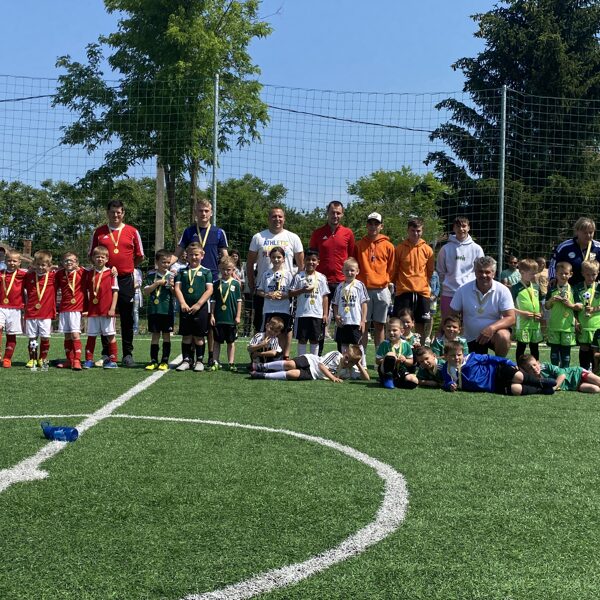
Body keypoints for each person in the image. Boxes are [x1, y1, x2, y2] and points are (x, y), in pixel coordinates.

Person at [173, 198, 228, 368]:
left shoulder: (219, 232)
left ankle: (209, 356)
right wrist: (166, 266)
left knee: (209, 322)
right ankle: (188, 358)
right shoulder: (189, 231)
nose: (203, 213)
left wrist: (231, 273)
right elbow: (178, 252)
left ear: (211, 212)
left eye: (206, 211)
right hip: (192, 280)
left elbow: (225, 256)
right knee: (191, 319)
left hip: (212, 280)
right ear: (196, 212)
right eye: (200, 210)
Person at [89, 199, 144, 367]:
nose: (115, 215)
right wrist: (106, 270)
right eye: (112, 212)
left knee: (127, 317)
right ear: (107, 213)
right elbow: (91, 255)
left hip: (125, 279)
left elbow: (140, 256)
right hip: (105, 279)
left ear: (123, 213)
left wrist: (126, 268)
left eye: (119, 212)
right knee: (105, 315)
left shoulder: (132, 231)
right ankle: (106, 354)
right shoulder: (99, 232)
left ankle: (127, 354)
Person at [247, 206, 304, 334]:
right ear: (268, 219)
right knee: (261, 326)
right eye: (274, 216)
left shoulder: (293, 237)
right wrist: (251, 285)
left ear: (284, 219)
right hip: (264, 290)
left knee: (285, 327)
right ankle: (260, 347)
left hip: (286, 291)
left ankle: (285, 349)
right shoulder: (258, 237)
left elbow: (301, 266)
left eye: (280, 216)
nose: (277, 219)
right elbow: (249, 264)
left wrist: (295, 288)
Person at [309, 201, 355, 354]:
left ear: (342, 214)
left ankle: (342, 356)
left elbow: (351, 257)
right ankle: (318, 355)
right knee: (320, 319)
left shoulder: (348, 233)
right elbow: (312, 257)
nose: (335, 215)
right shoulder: (317, 233)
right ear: (327, 213)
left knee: (342, 318)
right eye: (332, 212)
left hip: (342, 282)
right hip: (322, 282)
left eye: (338, 213)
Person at [450, 256, 515, 357]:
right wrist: (449, 332)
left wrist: (491, 328)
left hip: (493, 336)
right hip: (469, 337)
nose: (483, 275)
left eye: (487, 272)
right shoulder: (462, 290)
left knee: (504, 336)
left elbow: (511, 318)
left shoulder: (502, 290)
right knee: (472, 365)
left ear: (493, 273)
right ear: (475, 272)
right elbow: (451, 315)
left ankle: (499, 364)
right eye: (480, 271)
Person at [441, 340, 553, 395]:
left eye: (459, 355)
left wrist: (507, 361)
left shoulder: (472, 357)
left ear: (463, 354)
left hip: (496, 371)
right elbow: (447, 381)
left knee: (518, 377)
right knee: (516, 390)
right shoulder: (447, 369)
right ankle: (540, 390)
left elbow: (489, 358)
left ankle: (540, 382)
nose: (457, 358)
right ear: (446, 356)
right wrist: (450, 385)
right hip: (493, 386)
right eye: (452, 355)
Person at [354, 211, 395, 358]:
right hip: (363, 290)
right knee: (363, 325)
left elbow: (391, 268)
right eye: (370, 223)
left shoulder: (389, 246)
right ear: (366, 225)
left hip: (381, 290)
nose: (373, 226)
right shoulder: (359, 245)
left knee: (380, 325)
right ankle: (362, 358)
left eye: (376, 224)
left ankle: (380, 358)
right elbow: (355, 265)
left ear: (381, 226)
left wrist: (384, 281)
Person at [173, 242, 213, 372]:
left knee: (199, 336)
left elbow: (209, 290)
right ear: (187, 256)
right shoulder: (182, 271)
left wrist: (198, 304)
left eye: (196, 254)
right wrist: (182, 303)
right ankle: (186, 360)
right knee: (186, 336)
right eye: (191, 255)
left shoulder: (206, 272)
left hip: (200, 308)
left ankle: (199, 361)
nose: (194, 257)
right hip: (185, 307)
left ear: (202, 255)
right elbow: (177, 288)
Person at [392, 217, 434, 339]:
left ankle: (419, 349)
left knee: (420, 324)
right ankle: (401, 347)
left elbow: (430, 271)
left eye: (418, 231)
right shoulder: (399, 249)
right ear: (408, 230)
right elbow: (395, 270)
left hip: (422, 292)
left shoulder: (427, 250)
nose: (416, 233)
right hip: (404, 292)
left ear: (422, 231)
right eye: (413, 230)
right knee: (402, 324)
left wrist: (422, 284)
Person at [436, 216, 484, 322]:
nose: (461, 229)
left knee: (468, 324)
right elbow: (440, 271)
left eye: (464, 226)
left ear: (468, 228)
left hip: (469, 292)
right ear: (453, 228)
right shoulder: (445, 249)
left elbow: (480, 271)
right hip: (449, 293)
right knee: (447, 324)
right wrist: (447, 284)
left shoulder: (476, 249)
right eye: (458, 226)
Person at [250, 344, 369, 383]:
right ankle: (263, 366)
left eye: (351, 362)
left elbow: (366, 378)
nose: (347, 362)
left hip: (313, 374)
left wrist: (358, 364)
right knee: (290, 364)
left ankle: (263, 375)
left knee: (292, 374)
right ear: (344, 352)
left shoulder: (349, 370)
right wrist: (333, 377)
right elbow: (321, 366)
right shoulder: (336, 355)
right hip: (311, 361)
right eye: (347, 358)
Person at [83, 246, 120, 369]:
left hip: (107, 310)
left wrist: (113, 308)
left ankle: (113, 360)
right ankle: (89, 360)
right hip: (93, 310)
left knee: (110, 335)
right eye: (97, 256)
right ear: (93, 258)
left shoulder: (111, 273)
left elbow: (115, 292)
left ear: (107, 259)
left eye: (102, 257)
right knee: (91, 335)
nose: (100, 259)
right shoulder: (89, 273)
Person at [256, 245, 294, 358]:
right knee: (268, 333)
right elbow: (259, 291)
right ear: (270, 258)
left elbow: (292, 292)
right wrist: (267, 295)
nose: (276, 259)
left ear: (284, 258)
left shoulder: (288, 274)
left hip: (284, 309)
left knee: (282, 334)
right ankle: (266, 357)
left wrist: (285, 296)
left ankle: (281, 356)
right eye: (273, 257)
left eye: (279, 257)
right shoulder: (266, 274)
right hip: (269, 309)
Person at [289, 249, 329, 356]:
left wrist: (325, 314)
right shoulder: (298, 276)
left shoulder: (322, 277)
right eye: (308, 259)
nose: (311, 262)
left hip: (317, 314)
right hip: (302, 314)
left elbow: (325, 296)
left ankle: (314, 362)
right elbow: (290, 293)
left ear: (318, 262)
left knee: (315, 340)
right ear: (304, 261)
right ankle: (301, 361)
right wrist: (302, 290)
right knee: (302, 339)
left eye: (313, 260)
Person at [23, 250, 57, 370]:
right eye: (38, 264)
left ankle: (42, 358)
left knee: (45, 337)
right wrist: (29, 269)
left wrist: (55, 267)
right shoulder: (28, 276)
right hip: (31, 312)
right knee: (32, 338)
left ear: (49, 265)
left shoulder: (53, 276)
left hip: (46, 313)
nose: (40, 267)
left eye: (43, 265)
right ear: (34, 264)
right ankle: (32, 358)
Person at [142, 249, 175, 371]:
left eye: (168, 262)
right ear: (157, 262)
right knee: (155, 336)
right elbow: (146, 291)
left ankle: (164, 361)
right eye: (163, 262)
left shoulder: (172, 276)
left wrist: (171, 286)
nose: (166, 265)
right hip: (154, 310)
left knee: (166, 336)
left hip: (167, 311)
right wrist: (157, 284)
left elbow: (175, 294)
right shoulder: (151, 275)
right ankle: (153, 360)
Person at [54, 252, 87, 370]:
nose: (69, 262)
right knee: (67, 335)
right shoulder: (59, 274)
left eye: (72, 260)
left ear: (77, 262)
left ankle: (77, 360)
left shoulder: (82, 272)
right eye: (66, 260)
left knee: (75, 334)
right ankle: (69, 360)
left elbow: (94, 271)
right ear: (63, 263)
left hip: (76, 308)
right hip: (64, 308)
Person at [210, 257, 243, 371]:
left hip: (231, 318)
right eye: (223, 269)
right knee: (217, 341)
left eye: (228, 269)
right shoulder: (216, 284)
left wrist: (238, 316)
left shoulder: (236, 284)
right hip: (219, 318)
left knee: (231, 342)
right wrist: (212, 315)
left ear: (233, 270)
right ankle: (215, 361)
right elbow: (213, 301)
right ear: (219, 268)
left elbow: (239, 301)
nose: (225, 272)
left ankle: (231, 363)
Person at [331, 258, 368, 357]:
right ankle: (344, 364)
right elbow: (335, 304)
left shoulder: (360, 285)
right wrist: (336, 316)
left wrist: (363, 321)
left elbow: (364, 303)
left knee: (357, 344)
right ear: (342, 271)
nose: (349, 273)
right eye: (347, 270)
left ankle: (362, 364)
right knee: (343, 344)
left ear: (357, 271)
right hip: (343, 322)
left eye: (352, 270)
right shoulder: (339, 286)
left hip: (355, 321)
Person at [545, 261, 579, 368]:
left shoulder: (574, 289)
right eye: (561, 273)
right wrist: (551, 300)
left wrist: (571, 305)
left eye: (566, 273)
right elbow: (547, 306)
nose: (563, 276)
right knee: (554, 353)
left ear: (570, 274)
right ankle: (554, 373)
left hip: (567, 327)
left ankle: (565, 373)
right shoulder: (552, 289)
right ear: (556, 274)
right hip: (554, 326)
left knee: (566, 354)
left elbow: (580, 306)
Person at [549, 217, 600, 286]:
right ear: (577, 231)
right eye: (585, 233)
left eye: (591, 232)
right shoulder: (564, 247)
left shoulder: (598, 248)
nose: (588, 235)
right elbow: (553, 264)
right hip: (569, 288)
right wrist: (552, 277)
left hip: (592, 289)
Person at [518, 353, 600, 394]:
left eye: (534, 365)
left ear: (538, 363)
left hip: (576, 373)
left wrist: (554, 388)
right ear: (525, 371)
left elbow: (562, 375)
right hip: (574, 386)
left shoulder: (545, 366)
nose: (534, 368)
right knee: (596, 389)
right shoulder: (531, 380)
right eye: (530, 368)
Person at [511, 258, 543, 360]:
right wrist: (521, 313)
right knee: (521, 346)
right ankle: (520, 367)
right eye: (531, 274)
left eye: (535, 273)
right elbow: (509, 307)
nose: (534, 276)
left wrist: (540, 313)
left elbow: (539, 303)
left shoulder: (536, 287)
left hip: (535, 323)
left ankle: (536, 365)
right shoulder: (515, 288)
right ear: (522, 272)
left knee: (535, 347)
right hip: (523, 323)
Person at [0, 250, 27, 368]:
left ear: (19, 262)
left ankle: (7, 358)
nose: (11, 263)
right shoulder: (1, 273)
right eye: (9, 260)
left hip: (15, 308)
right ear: (5, 261)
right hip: (1, 306)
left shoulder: (24, 275)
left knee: (11, 334)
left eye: (14, 261)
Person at [375, 317, 418, 389]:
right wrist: (387, 359)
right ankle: (387, 378)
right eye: (388, 330)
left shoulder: (406, 344)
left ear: (402, 331)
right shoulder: (384, 344)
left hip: (400, 370)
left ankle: (396, 383)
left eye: (394, 330)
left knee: (413, 380)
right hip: (385, 370)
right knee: (391, 354)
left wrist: (404, 360)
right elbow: (377, 361)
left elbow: (411, 362)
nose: (391, 333)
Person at [574, 260, 600, 370]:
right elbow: (574, 309)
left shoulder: (599, 287)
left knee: (596, 359)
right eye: (588, 274)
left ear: (598, 273)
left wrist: (594, 309)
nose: (591, 277)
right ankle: (584, 376)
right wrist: (576, 321)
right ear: (582, 273)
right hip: (583, 327)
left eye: (593, 274)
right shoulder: (577, 288)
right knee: (584, 358)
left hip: (597, 328)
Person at [133, 266, 143, 334]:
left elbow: (140, 283)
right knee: (128, 311)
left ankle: (135, 329)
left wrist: (131, 286)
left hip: (136, 293)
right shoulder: (125, 269)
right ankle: (128, 328)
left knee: (135, 311)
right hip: (127, 293)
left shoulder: (138, 271)